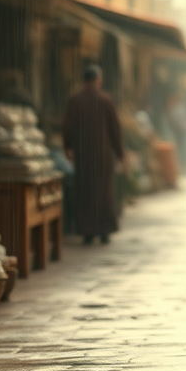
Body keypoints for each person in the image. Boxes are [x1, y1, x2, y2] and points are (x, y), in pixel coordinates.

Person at [62, 64, 125, 244]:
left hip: (84, 154)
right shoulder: (105, 100)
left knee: (86, 191)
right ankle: (104, 230)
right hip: (103, 154)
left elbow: (68, 126)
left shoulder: (75, 100)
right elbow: (115, 129)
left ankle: (87, 230)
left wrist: (68, 147)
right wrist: (120, 153)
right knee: (103, 191)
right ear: (98, 79)